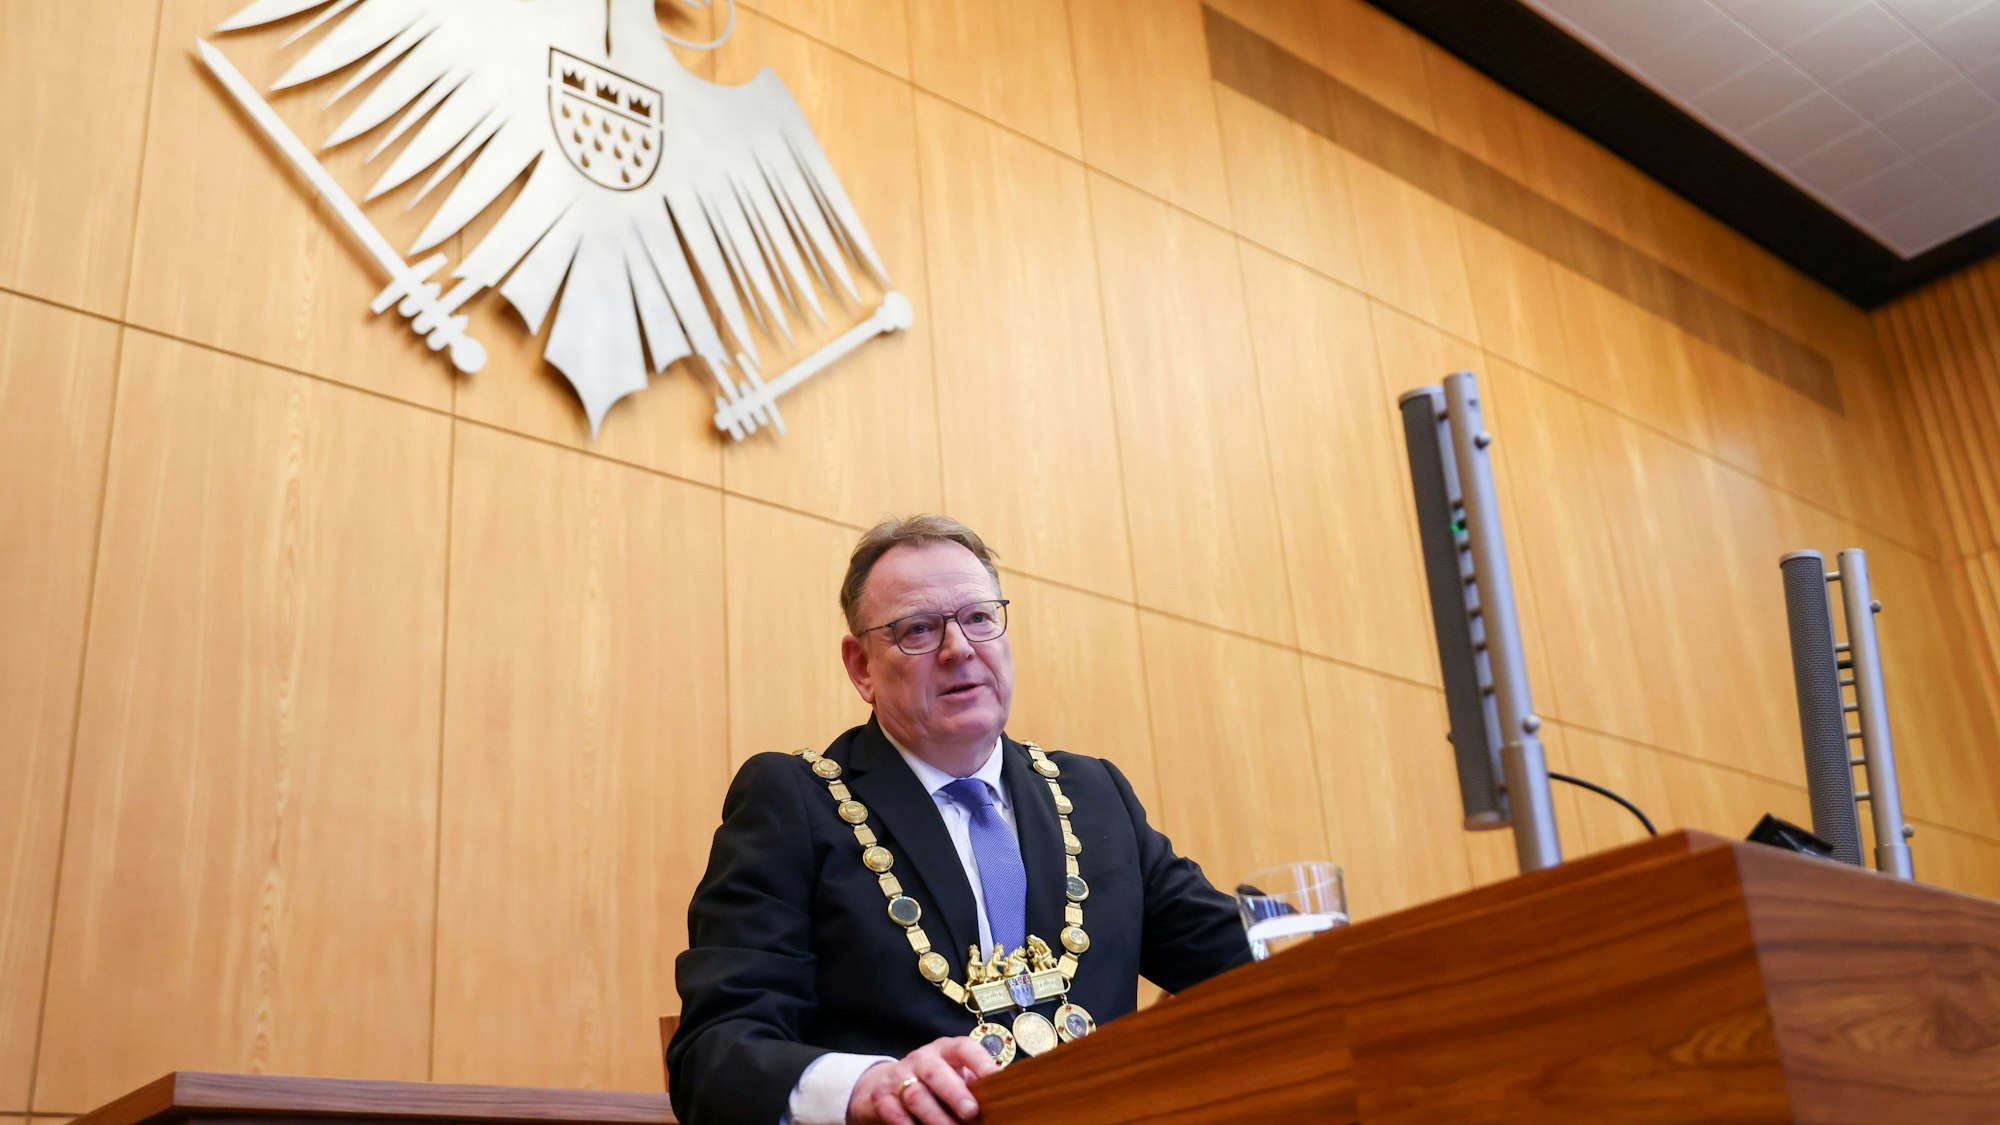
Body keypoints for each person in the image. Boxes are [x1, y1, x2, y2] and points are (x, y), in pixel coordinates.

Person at [669, 516, 1251, 1125]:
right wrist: (868, 1086)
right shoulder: (795, 801)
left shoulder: (1093, 794)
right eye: (918, 629)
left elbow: (1245, 957)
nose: (959, 649)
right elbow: (715, 1053)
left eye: (978, 617)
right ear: (861, 666)